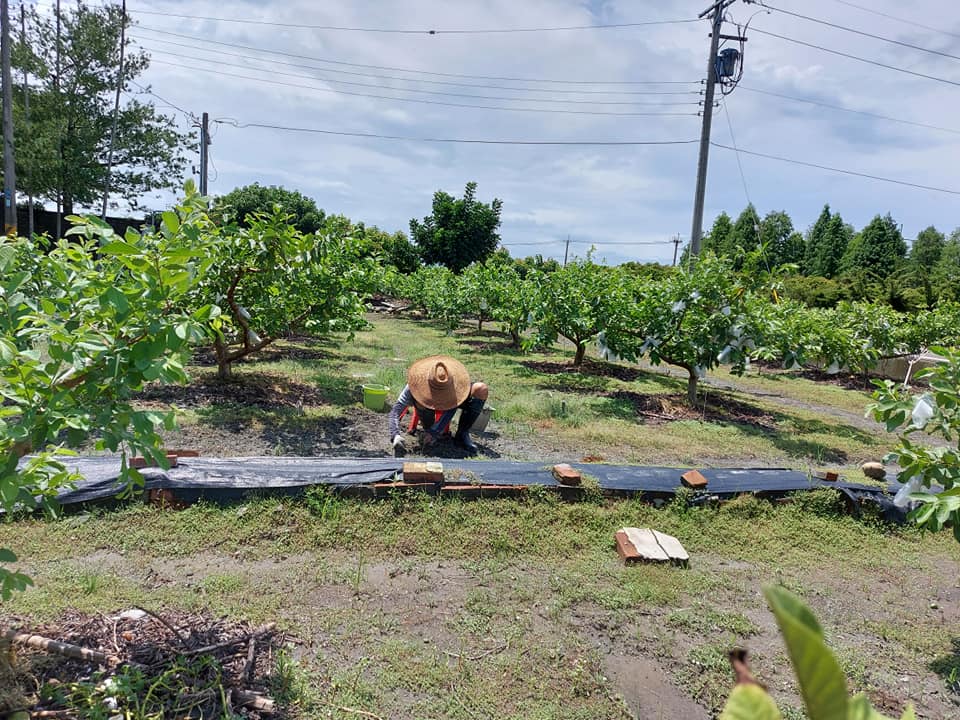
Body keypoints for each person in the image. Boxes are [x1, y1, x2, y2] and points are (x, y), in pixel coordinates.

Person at [388, 355, 488, 456]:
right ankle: (427, 428)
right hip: (426, 411)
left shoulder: (454, 384)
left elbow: (451, 408)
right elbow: (395, 411)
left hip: (451, 399)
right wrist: (395, 434)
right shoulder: (414, 385)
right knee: (420, 403)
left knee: (481, 389)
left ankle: (462, 435)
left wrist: (434, 432)